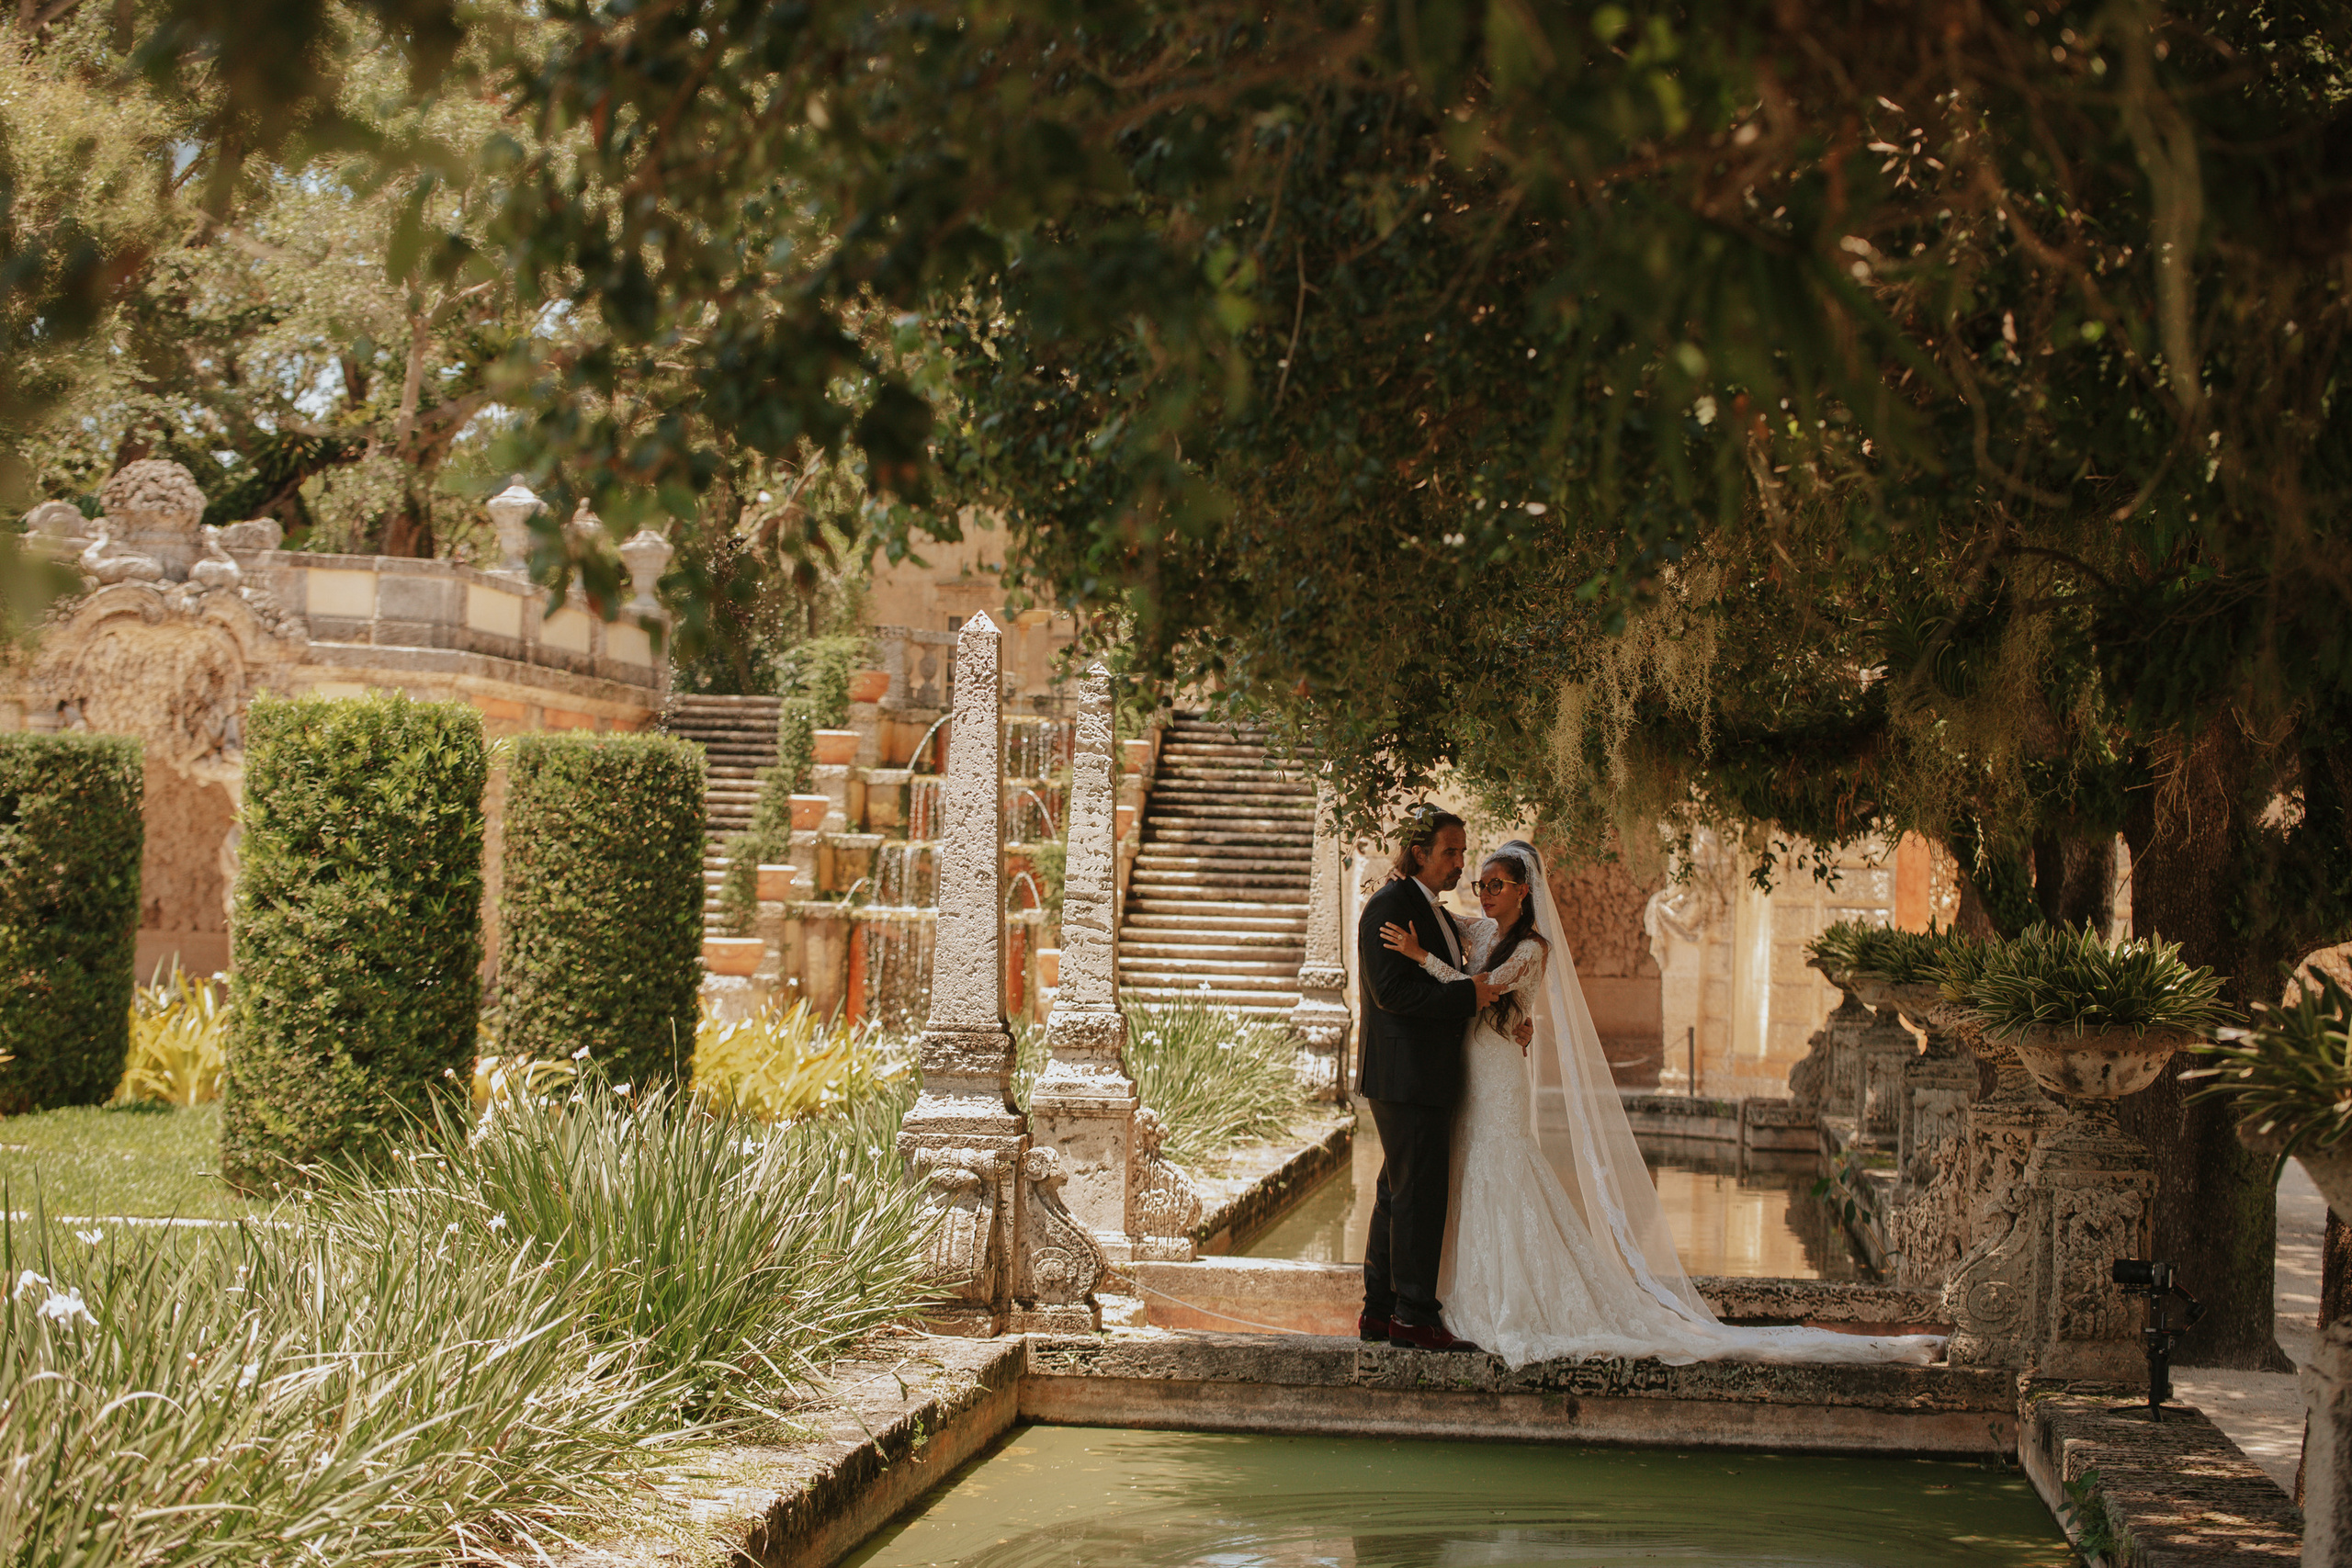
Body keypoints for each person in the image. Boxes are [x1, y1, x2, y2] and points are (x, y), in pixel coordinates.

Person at [1376, 836, 1946, 1369]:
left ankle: (1514, 1302)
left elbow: (1472, 991)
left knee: (1504, 1171)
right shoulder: (1479, 934)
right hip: (1474, 1068)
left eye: (1495, 884)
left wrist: (1418, 955)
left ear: (1525, 890)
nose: (1485, 893)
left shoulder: (1531, 948)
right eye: (1480, 885)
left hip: (1498, 1077)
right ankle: (1458, 1298)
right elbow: (1443, 928)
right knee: (1469, 1174)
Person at [1352, 807, 1501, 1352]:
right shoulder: (1390, 906)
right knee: (1419, 1195)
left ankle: (1381, 1313)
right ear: (1420, 852)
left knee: (1397, 1192)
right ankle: (1414, 1317)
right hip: (1405, 1073)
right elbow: (1393, 993)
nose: (1460, 863)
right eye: (1450, 852)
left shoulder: (1429, 908)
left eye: (1463, 853)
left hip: (1416, 1073)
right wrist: (1469, 995)